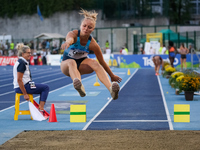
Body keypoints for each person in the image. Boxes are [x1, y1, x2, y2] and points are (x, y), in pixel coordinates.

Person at [61, 9, 122, 100]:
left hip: (82, 65)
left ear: (93, 29)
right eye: (84, 26)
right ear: (80, 26)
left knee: (95, 63)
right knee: (72, 62)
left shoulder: (93, 44)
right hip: (67, 65)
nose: (86, 29)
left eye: (89, 27)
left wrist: (112, 75)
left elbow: (102, 62)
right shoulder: (73, 34)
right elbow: (70, 38)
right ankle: (79, 85)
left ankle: (111, 90)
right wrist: (68, 42)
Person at [13, 43, 49, 117]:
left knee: (41, 86)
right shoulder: (22, 63)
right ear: (23, 54)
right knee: (45, 88)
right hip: (23, 86)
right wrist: (25, 94)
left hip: (26, 84)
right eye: (28, 53)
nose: (30, 54)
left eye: (30, 52)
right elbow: (19, 80)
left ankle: (40, 108)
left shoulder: (21, 61)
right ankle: (41, 110)